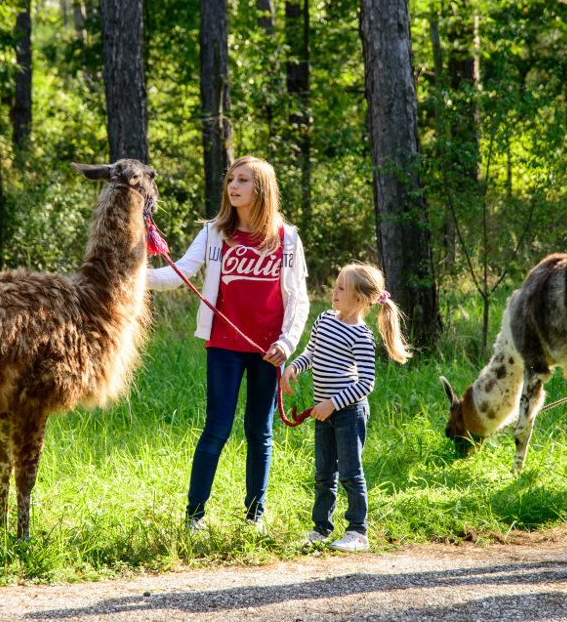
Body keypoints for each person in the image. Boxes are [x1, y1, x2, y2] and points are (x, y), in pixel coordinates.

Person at [148, 156, 310, 532]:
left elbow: (298, 298)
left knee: (260, 431)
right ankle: (195, 517)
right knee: (216, 429)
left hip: (269, 350)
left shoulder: (288, 238)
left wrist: (287, 343)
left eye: (243, 180)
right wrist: (128, 278)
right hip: (223, 346)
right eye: (230, 179)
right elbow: (179, 275)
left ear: (262, 189)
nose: (233, 186)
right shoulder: (214, 232)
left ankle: (255, 517)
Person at [282, 262, 411, 552]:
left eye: (341, 287)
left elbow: (366, 384)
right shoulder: (324, 319)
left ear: (360, 299)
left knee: (351, 473)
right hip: (323, 411)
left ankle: (357, 531)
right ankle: (321, 528)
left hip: (349, 414)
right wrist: (294, 368)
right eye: (336, 285)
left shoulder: (361, 337)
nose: (334, 291)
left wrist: (332, 403)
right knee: (324, 474)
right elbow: (311, 353)